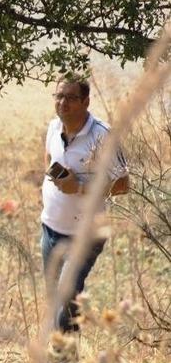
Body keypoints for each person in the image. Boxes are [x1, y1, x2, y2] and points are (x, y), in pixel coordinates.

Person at [41, 77, 129, 332]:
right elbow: (47, 158)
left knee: (66, 292)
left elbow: (123, 184)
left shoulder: (102, 135)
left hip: (86, 233)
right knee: (59, 296)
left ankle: (65, 362)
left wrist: (78, 187)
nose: (62, 103)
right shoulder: (53, 127)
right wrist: (46, 189)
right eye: (58, 96)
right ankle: (66, 357)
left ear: (86, 102)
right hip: (50, 228)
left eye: (70, 97)